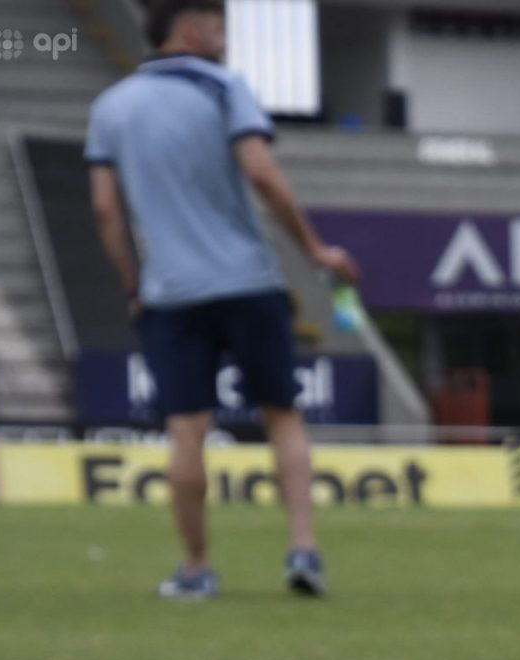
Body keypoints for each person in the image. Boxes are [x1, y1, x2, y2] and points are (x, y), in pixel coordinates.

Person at [86, 0, 358, 601]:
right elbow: (261, 172)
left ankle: (196, 569)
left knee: (187, 432)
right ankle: (303, 551)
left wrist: (133, 284)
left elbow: (106, 211)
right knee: (282, 417)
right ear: (189, 26)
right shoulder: (225, 87)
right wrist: (315, 249)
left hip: (171, 294)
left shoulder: (110, 107)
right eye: (218, 27)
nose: (226, 40)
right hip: (249, 282)